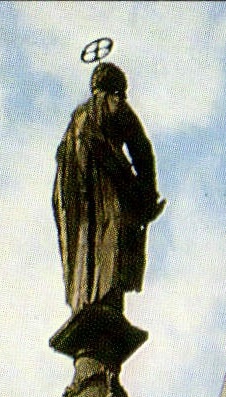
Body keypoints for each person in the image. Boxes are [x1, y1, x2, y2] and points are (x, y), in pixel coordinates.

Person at [53, 62, 164, 312]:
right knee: (112, 248)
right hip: (111, 197)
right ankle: (107, 301)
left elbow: (62, 161)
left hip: (81, 207)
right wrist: (147, 194)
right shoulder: (115, 106)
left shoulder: (76, 119)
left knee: (88, 251)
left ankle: (84, 299)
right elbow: (142, 150)